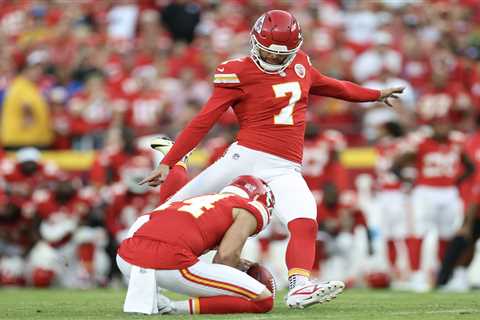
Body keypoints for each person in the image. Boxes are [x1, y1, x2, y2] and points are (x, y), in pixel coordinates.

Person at [140, 10, 403, 308]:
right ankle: (145, 271)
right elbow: (205, 119)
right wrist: (169, 161)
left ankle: (300, 286)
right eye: (270, 53)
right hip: (245, 157)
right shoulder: (238, 70)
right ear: (254, 41)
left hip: (284, 167)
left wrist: (375, 94)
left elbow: (333, 86)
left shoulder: (301, 62)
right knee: (171, 211)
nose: (277, 59)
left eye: (283, 54)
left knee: (305, 219)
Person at [117, 175, 288, 315]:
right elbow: (226, 258)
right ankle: (171, 307)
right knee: (263, 300)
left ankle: (154, 292)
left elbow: (145, 222)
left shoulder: (200, 199)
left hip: (126, 257)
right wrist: (238, 274)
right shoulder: (248, 208)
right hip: (168, 260)